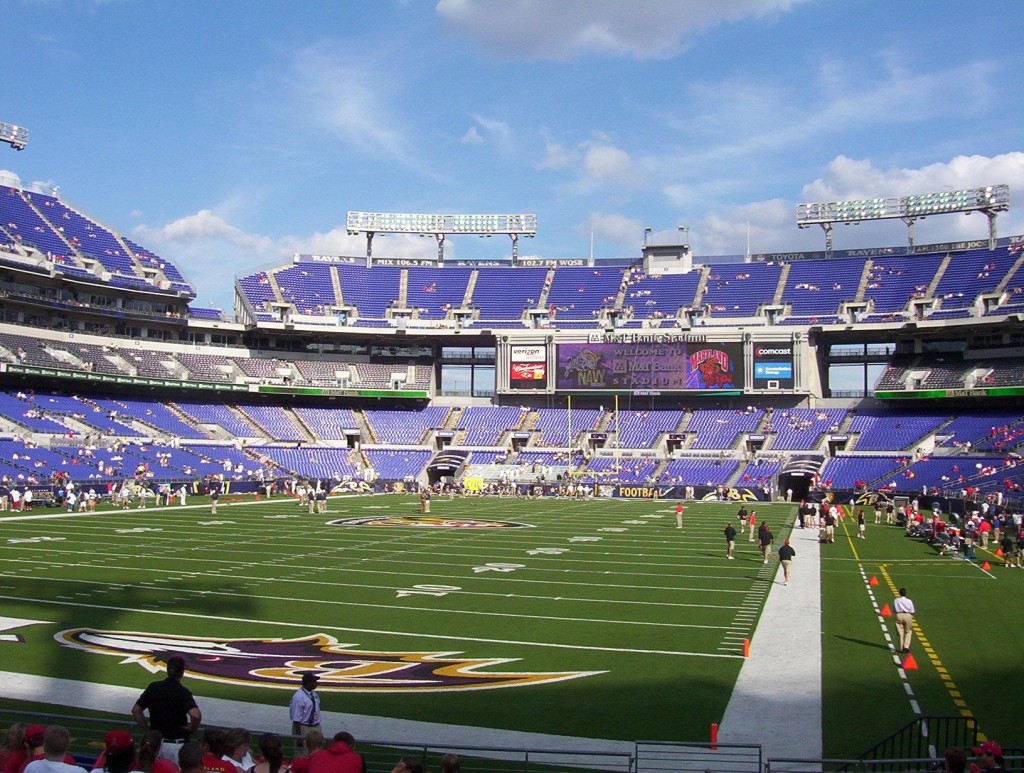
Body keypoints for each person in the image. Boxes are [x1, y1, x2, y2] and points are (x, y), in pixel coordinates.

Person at [131, 656, 201, 763]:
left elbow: (136, 710)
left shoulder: (154, 687)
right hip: (176, 745)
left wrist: (148, 731)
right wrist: (192, 729)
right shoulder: (182, 692)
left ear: (167, 670)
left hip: (156, 744)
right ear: (182, 672)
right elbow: (195, 715)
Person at [289, 672, 321, 750]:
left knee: (317, 753)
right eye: (314, 681)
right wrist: (299, 737)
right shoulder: (298, 697)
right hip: (304, 728)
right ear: (308, 682)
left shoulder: (314, 694)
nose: (316, 683)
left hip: (316, 726)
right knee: (303, 754)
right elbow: (296, 720)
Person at [893, 587, 916, 654]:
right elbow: (912, 610)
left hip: (899, 615)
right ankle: (906, 647)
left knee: (900, 632)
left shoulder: (896, 600)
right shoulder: (909, 601)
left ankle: (900, 648)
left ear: (899, 593)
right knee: (908, 631)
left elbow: (894, 610)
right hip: (907, 615)